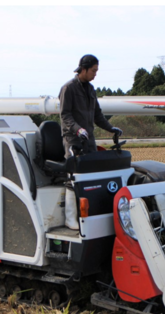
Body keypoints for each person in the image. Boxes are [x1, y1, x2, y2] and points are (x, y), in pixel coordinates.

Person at [58, 54, 123, 229]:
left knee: (93, 175)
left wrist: (111, 128)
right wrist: (77, 129)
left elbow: (97, 116)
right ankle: (70, 218)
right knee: (74, 176)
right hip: (73, 139)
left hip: (89, 140)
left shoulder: (91, 89)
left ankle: (89, 214)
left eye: (97, 70)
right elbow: (65, 115)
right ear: (84, 69)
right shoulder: (68, 89)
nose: (95, 74)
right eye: (93, 70)